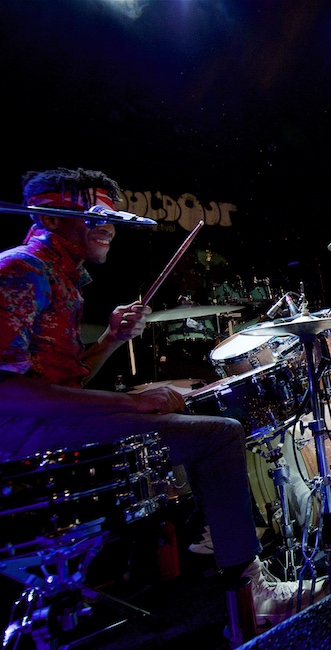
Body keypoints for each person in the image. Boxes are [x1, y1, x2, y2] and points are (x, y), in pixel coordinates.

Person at [0, 167, 315, 630]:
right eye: (95, 215)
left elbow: (65, 386)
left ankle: (218, 553)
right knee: (219, 435)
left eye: (112, 217)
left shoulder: (63, 279)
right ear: (52, 216)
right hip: (21, 438)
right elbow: (7, 393)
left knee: (197, 419)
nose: (109, 227)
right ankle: (251, 595)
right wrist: (128, 403)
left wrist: (109, 339)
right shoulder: (20, 269)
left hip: (47, 426)